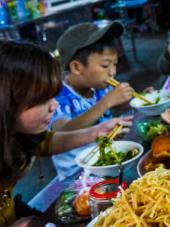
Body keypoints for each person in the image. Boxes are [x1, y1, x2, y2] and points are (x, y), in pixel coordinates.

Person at [0, 41, 127, 226]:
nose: (55, 105)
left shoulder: (17, 133)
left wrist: (96, 132)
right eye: (42, 99)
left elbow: (44, 143)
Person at [50, 22, 134, 179]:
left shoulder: (100, 87)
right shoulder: (59, 95)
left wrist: (130, 101)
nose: (113, 72)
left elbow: (111, 114)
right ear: (76, 67)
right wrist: (106, 103)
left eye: (115, 64)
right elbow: (62, 131)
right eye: (105, 65)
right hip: (77, 175)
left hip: (108, 161)